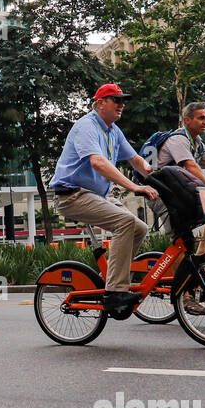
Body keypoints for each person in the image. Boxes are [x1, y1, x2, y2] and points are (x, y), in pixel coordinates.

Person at [49, 83, 158, 315]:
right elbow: (97, 163)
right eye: (116, 100)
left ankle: (111, 280)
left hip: (96, 195)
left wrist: (161, 177)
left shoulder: (113, 131)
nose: (121, 105)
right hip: (72, 195)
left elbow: (137, 160)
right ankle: (115, 292)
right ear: (100, 104)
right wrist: (134, 187)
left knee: (139, 227)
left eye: (123, 101)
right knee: (125, 222)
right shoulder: (86, 126)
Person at [156, 101, 205, 255]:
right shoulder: (178, 139)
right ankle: (179, 278)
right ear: (187, 120)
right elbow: (191, 167)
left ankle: (203, 250)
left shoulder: (197, 143)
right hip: (162, 194)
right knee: (181, 239)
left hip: (177, 192)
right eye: (201, 118)